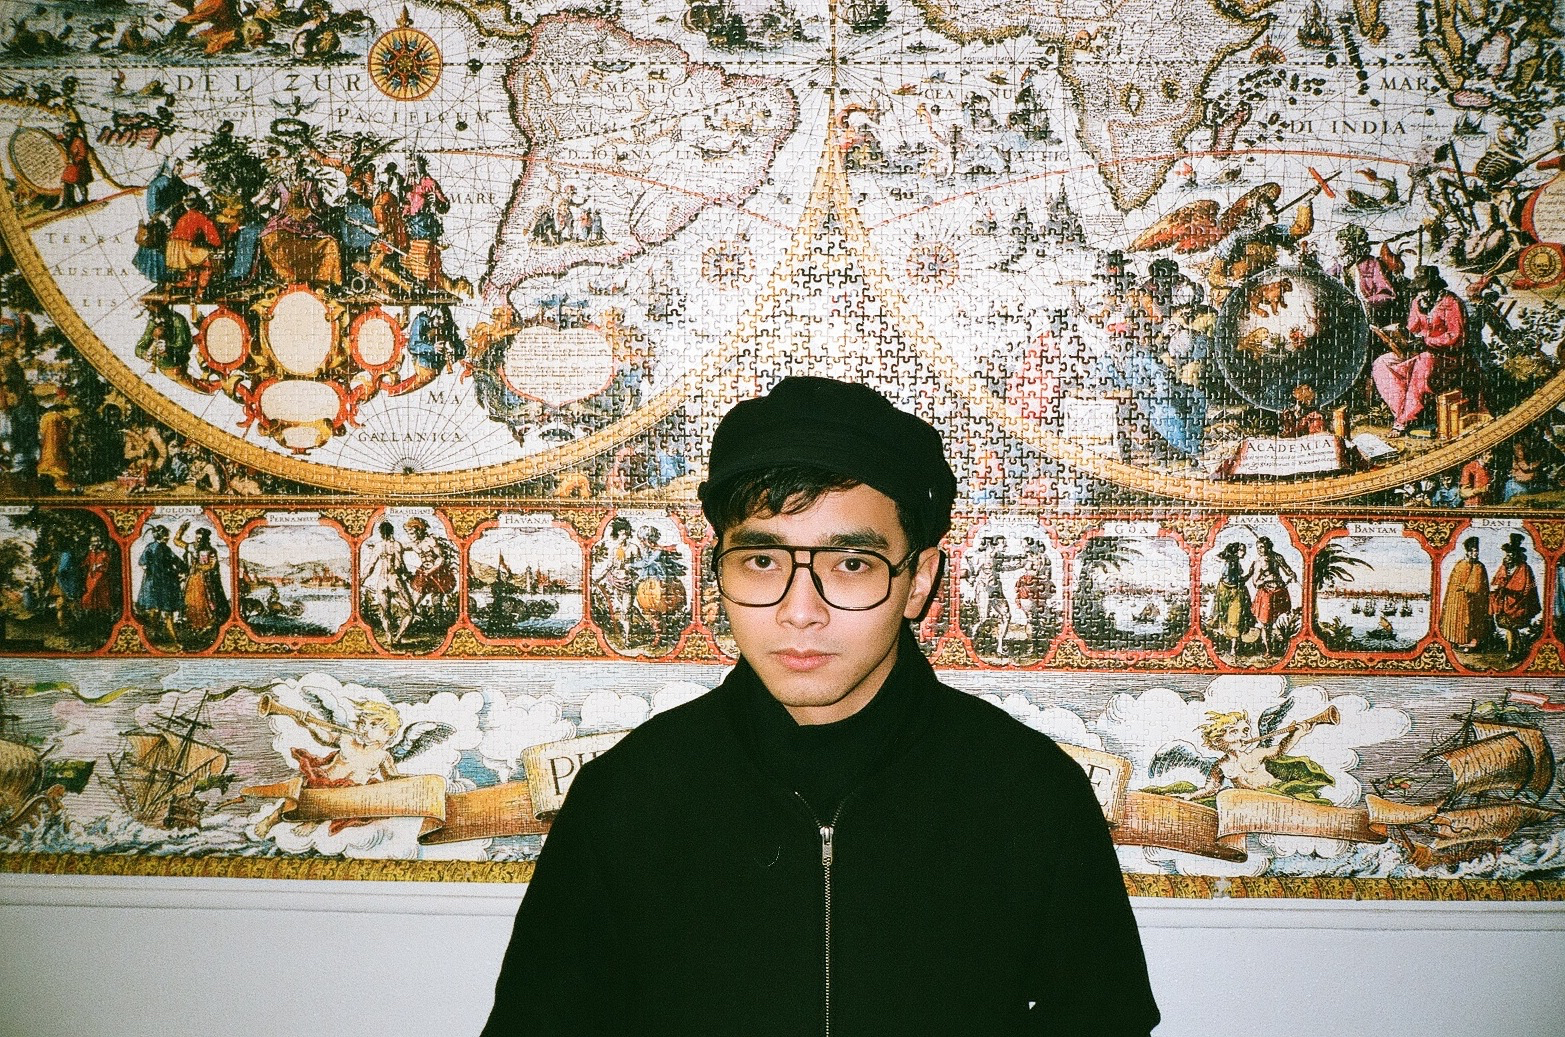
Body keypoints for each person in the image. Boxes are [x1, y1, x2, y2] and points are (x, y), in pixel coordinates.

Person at [483, 376, 1159, 1036]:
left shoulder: (1029, 795)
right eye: (762, 561)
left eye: (851, 564)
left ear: (918, 580)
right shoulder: (627, 798)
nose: (799, 611)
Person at [1490, 533, 1540, 660]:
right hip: (1504, 603)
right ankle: (1518, 649)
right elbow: (1496, 581)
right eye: (1507, 554)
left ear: (1517, 554)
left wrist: (1508, 591)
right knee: (1510, 628)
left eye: (1511, 553)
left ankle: (1511, 651)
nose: (1509, 556)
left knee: (1511, 627)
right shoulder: (1503, 568)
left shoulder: (1524, 568)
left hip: (1518, 604)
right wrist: (1497, 587)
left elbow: (1526, 588)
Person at [1440, 536, 1490, 651]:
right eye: (1473, 551)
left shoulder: (1480, 566)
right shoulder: (1460, 565)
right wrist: (1463, 589)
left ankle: (1473, 643)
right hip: (1460, 600)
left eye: (1477, 551)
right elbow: (1453, 584)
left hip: (1476, 601)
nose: (1476, 553)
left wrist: (1467, 588)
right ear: (1468, 552)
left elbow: (1480, 585)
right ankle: (1458, 642)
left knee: (1474, 622)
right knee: (1459, 621)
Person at [1250, 536, 1296, 656]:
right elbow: (1255, 583)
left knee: (1281, 619)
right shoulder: (1259, 562)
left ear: (1268, 547)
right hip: (1267, 594)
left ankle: (1280, 645)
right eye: (1258, 547)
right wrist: (1266, 579)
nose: (1259, 549)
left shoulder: (1277, 557)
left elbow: (1287, 570)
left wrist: (1292, 574)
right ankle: (1268, 650)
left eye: (1262, 547)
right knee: (1266, 624)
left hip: (1280, 592)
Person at [1210, 541, 1255, 655]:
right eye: (1242, 550)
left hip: (1227, 590)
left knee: (1235, 617)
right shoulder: (1232, 563)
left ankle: (1234, 647)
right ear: (1236, 551)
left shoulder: (1233, 561)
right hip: (1230, 591)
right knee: (1233, 617)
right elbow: (1235, 581)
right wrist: (1250, 573)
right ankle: (1233, 647)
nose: (1244, 552)